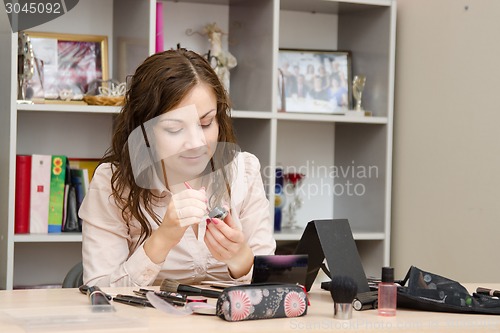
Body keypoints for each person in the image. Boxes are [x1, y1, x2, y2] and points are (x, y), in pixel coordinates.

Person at [79, 48, 276, 287]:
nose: (196, 144)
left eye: (206, 123)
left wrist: (240, 257)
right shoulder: (113, 184)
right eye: (174, 129)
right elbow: (99, 293)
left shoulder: (242, 171)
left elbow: (273, 286)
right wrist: (161, 240)